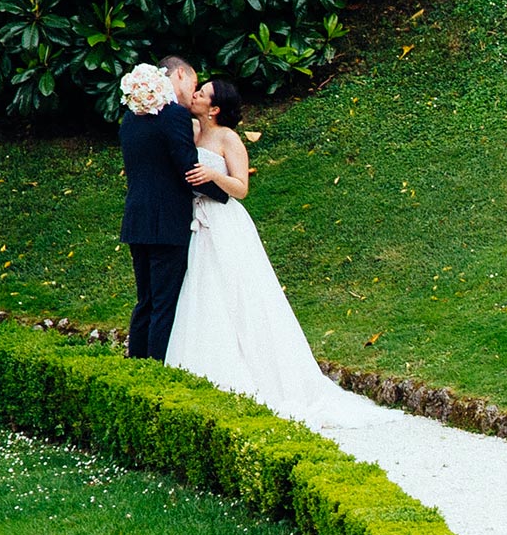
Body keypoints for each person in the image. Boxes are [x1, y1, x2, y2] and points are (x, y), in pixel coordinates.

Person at [161, 79, 377, 428]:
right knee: (203, 290)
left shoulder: (228, 138)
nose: (196, 94)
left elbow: (242, 188)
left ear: (215, 109)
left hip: (224, 220)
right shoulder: (189, 130)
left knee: (238, 292)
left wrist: (214, 175)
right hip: (195, 221)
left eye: (203, 93)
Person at [118, 55, 224, 362]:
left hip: (137, 220)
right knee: (165, 304)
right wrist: (224, 195)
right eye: (194, 83)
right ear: (179, 74)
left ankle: (135, 369)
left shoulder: (132, 117)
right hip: (167, 223)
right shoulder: (174, 115)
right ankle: (156, 371)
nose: (194, 93)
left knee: (146, 302)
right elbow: (187, 169)